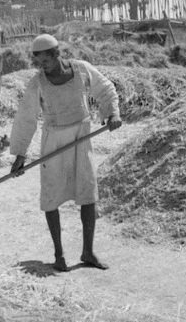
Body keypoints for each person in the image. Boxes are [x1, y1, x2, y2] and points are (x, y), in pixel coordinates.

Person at [9, 33, 122, 272]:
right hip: (54, 141)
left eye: (46, 61)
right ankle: (59, 254)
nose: (42, 66)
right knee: (51, 195)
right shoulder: (37, 83)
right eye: (38, 62)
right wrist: (20, 154)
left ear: (57, 53)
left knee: (88, 191)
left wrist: (113, 113)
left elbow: (105, 89)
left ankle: (88, 251)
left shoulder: (81, 70)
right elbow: (26, 119)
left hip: (82, 136)